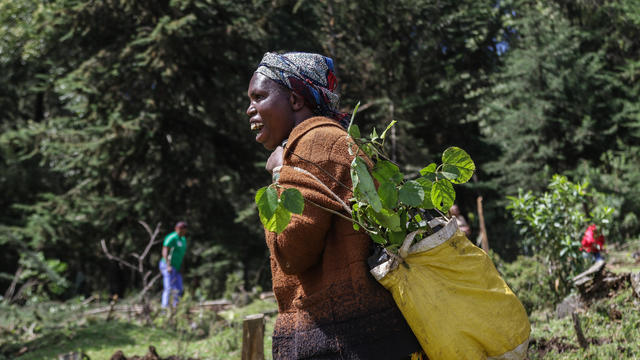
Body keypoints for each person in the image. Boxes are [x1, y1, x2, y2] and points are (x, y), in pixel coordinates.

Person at [247, 52, 422, 359]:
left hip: (341, 342)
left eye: (259, 96)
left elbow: (291, 252)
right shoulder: (332, 141)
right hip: (364, 338)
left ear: (295, 100)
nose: (250, 109)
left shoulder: (314, 144)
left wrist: (279, 174)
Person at [159, 221, 188, 308]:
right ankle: (164, 309)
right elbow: (165, 250)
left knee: (179, 289)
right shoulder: (172, 237)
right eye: (179, 229)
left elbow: (181, 255)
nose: (180, 231)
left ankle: (176, 308)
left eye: (182, 229)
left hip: (177, 268)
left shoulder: (183, 240)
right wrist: (168, 265)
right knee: (168, 288)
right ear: (176, 229)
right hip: (168, 266)